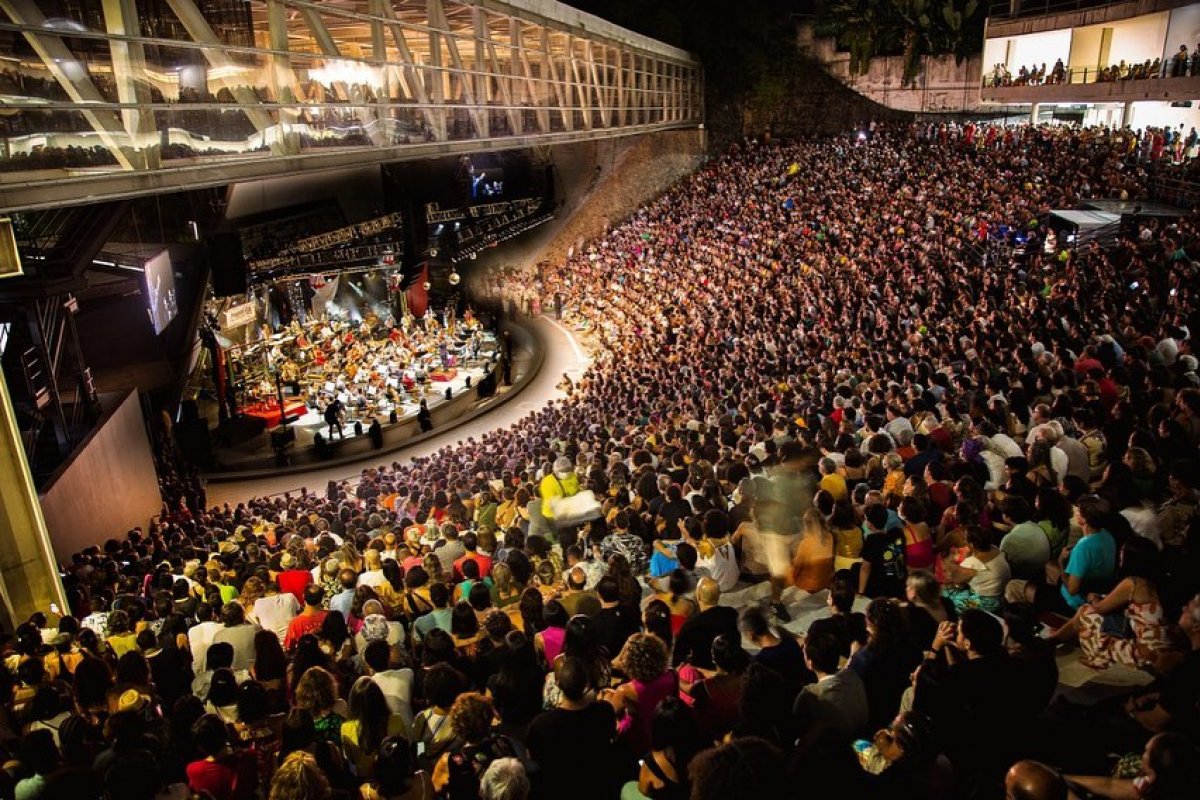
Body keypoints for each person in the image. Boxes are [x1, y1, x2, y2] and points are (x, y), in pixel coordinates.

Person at [526, 657, 620, 800]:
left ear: (557, 684)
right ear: (586, 684)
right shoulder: (604, 711)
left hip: (557, 789)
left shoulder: (540, 724)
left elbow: (532, 757)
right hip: (597, 787)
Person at [793, 630, 869, 748]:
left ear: (810, 663)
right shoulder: (852, 675)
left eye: (804, 652)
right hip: (863, 735)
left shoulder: (808, 696)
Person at [672, 577, 738, 671]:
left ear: (698, 596)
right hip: (731, 665)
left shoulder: (691, 625)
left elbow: (678, 658)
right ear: (719, 594)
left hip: (703, 670)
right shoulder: (732, 614)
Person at [941, 527, 1011, 613]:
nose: (964, 541)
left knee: (945, 593)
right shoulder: (994, 548)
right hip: (1001, 593)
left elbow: (959, 585)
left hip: (987, 602)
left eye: (965, 539)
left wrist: (951, 562)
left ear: (972, 544)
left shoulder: (970, 563)